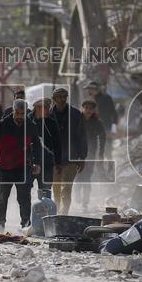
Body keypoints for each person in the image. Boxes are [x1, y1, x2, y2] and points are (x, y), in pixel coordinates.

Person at [0, 99, 40, 235]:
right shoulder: (3, 124)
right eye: (17, 113)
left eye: (22, 114)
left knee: (24, 197)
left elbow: (37, 146)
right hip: (4, 166)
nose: (19, 116)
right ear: (13, 111)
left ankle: (25, 224)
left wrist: (37, 162)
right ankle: (0, 225)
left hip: (23, 166)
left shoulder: (30, 125)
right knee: (2, 197)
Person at [50, 87, 87, 215]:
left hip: (71, 158)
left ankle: (63, 214)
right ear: (54, 99)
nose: (62, 99)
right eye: (59, 97)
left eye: (64, 96)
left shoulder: (76, 114)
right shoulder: (48, 114)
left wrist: (82, 157)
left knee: (66, 189)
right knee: (56, 189)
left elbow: (82, 136)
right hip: (54, 159)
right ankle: (57, 213)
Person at [77, 98, 107, 211]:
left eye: (91, 108)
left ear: (94, 110)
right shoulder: (77, 120)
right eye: (86, 108)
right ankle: (77, 195)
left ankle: (85, 202)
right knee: (78, 176)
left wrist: (101, 153)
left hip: (91, 153)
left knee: (87, 177)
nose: (88, 110)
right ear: (82, 108)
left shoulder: (97, 122)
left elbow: (103, 137)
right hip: (77, 153)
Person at [29, 97, 61, 200]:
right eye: (45, 107)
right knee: (25, 189)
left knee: (45, 191)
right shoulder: (27, 121)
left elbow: (57, 143)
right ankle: (26, 209)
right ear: (37, 108)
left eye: (48, 107)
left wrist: (58, 162)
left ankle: (44, 209)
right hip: (29, 162)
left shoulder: (51, 123)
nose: (48, 110)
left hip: (47, 162)